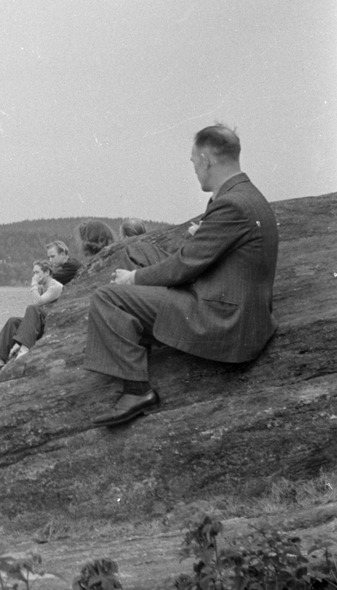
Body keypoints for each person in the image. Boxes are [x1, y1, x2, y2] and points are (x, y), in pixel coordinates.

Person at [88, 125, 279, 428]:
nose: (194, 170)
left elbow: (186, 264)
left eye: (193, 162)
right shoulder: (241, 194)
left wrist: (133, 280)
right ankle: (147, 328)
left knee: (107, 297)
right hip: (223, 293)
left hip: (225, 320)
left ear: (206, 159)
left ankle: (137, 391)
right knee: (137, 250)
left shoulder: (233, 204)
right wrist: (201, 235)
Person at [0, 260, 66, 373]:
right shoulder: (43, 287)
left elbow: (38, 302)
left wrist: (34, 284)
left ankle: (23, 351)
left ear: (46, 273)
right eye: (34, 273)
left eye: (37, 272)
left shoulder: (56, 287)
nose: (35, 276)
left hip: (50, 322)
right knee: (13, 321)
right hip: (40, 321)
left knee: (32, 308)